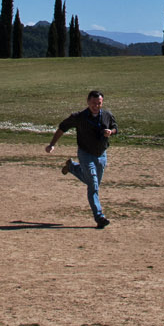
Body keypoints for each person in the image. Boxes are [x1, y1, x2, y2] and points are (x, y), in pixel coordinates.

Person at [46, 90, 118, 229]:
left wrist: (111, 132)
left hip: (102, 154)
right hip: (86, 154)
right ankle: (99, 217)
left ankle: (72, 167)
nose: (96, 106)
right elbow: (62, 127)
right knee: (93, 184)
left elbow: (115, 127)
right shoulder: (79, 117)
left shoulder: (107, 115)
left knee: (93, 183)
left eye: (99, 103)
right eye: (93, 103)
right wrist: (52, 144)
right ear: (87, 102)